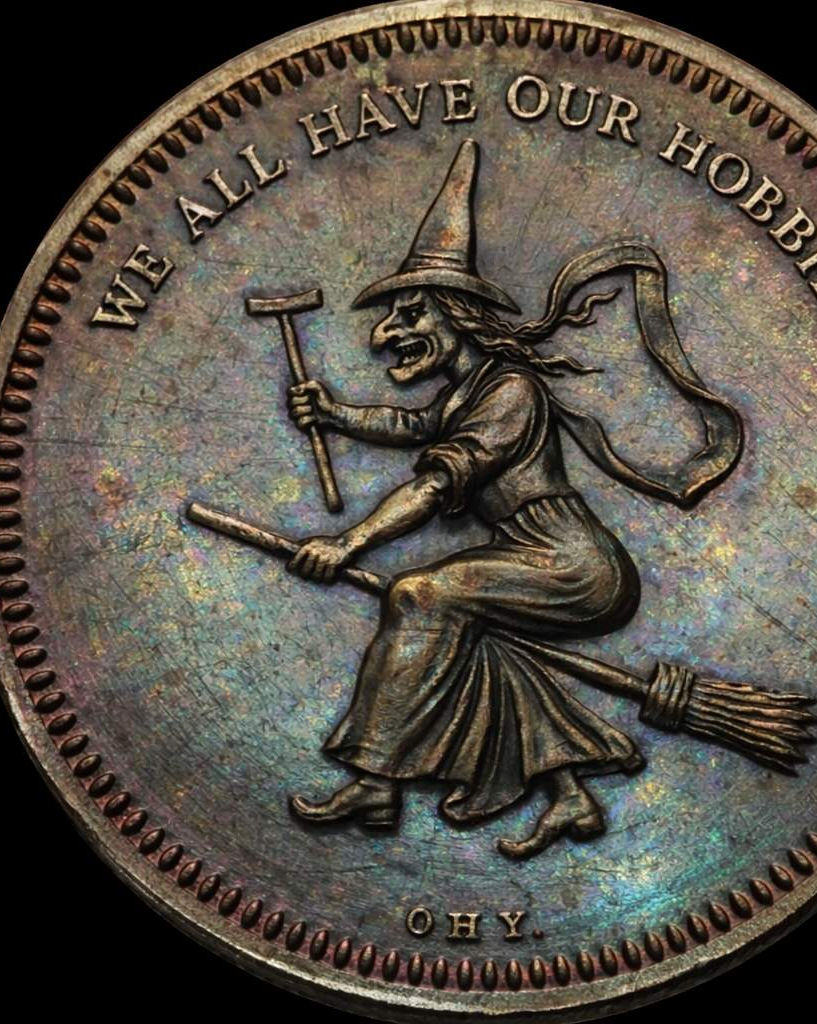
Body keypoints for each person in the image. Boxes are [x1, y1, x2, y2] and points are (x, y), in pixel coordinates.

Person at [284, 140, 742, 858]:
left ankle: (374, 778)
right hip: (531, 560)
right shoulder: (467, 393)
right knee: (475, 638)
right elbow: (411, 427)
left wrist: (349, 543)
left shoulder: (510, 391)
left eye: (411, 315)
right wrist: (337, 414)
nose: (386, 335)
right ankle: (568, 792)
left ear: (457, 317)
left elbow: (433, 484)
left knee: (420, 596)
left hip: (574, 566)